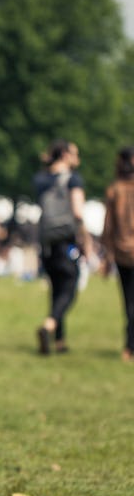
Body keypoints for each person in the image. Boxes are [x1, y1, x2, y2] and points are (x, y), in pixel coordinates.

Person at [33, 140, 89, 354]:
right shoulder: (73, 179)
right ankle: (50, 324)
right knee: (70, 287)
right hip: (67, 240)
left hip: (47, 242)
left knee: (56, 288)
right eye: (75, 153)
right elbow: (77, 212)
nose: (78, 159)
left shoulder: (40, 179)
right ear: (66, 155)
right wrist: (84, 239)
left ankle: (59, 341)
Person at [101, 145, 134, 363]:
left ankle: (129, 347)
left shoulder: (114, 189)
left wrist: (107, 255)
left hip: (123, 254)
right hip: (125, 254)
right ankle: (130, 346)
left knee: (129, 301)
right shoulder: (116, 190)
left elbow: (108, 228)